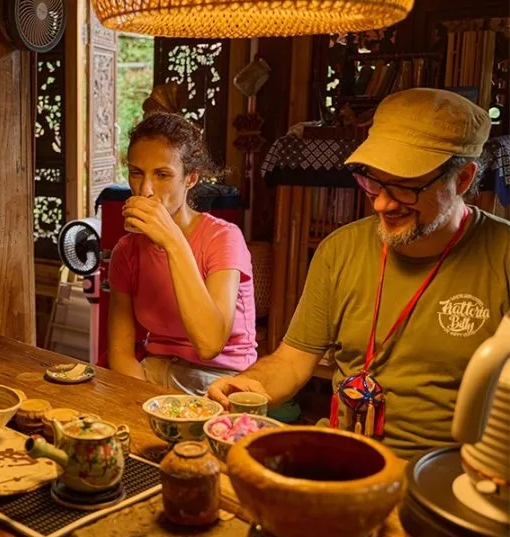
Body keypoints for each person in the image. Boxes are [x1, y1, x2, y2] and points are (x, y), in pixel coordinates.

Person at [209, 88, 510, 460]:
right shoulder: (340, 250)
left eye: (405, 187)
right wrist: (247, 385)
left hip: (449, 473)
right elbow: (292, 361)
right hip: (345, 455)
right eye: (374, 183)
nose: (382, 203)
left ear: (462, 179)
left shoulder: (502, 255)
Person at [108, 112, 257, 395]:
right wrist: (147, 401)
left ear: (191, 178)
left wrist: (173, 242)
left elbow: (210, 344)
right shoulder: (126, 252)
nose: (145, 190)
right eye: (137, 173)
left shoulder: (223, 238)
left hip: (220, 382)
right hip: (153, 375)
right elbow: (120, 354)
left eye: (162, 175)